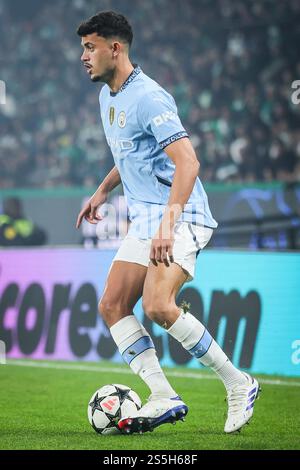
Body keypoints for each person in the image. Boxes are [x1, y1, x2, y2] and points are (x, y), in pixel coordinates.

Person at [76, 11, 260, 434]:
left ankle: (239, 383)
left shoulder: (150, 97)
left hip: (181, 215)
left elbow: (188, 163)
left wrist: (167, 225)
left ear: (114, 48)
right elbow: (131, 154)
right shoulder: (108, 97)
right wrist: (104, 188)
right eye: (83, 48)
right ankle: (162, 395)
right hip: (147, 218)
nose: (83, 57)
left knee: (158, 305)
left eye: (90, 47)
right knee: (112, 304)